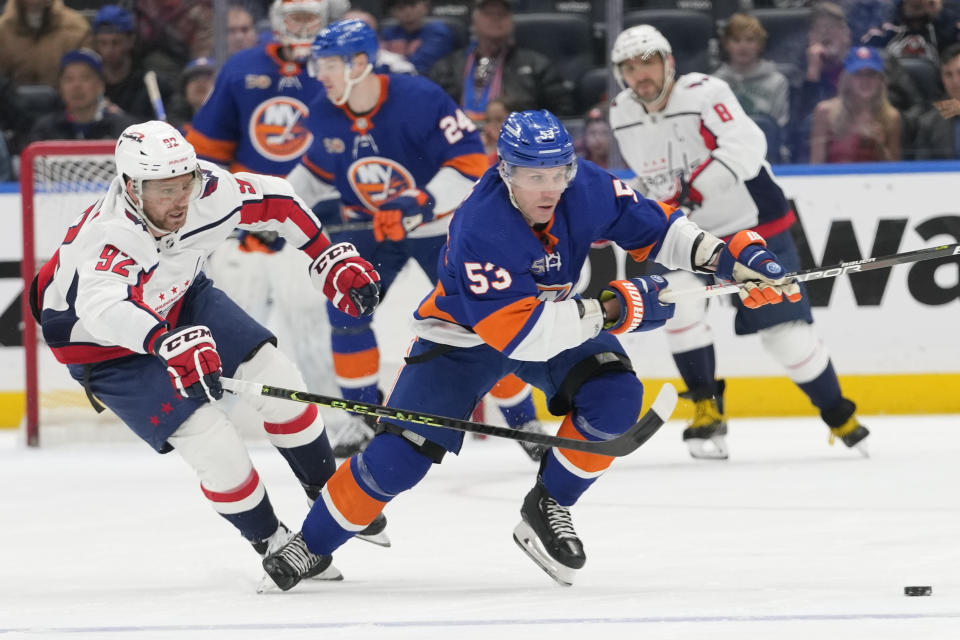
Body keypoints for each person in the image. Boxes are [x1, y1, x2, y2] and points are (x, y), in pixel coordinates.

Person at [259, 108, 803, 591]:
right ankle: (311, 543)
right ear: (505, 172)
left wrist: (726, 257)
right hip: (465, 338)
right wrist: (615, 310)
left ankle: (548, 507)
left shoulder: (582, 186)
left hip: (553, 321)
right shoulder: (481, 226)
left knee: (615, 396)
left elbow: (657, 228)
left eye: (557, 174)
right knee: (399, 460)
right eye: (532, 176)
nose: (549, 189)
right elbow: (519, 336)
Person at [31, 120, 386, 589]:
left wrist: (326, 256)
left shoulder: (210, 190)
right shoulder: (109, 236)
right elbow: (103, 309)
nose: (180, 200)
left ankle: (327, 492)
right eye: (164, 191)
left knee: (280, 381)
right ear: (131, 188)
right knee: (211, 441)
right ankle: (273, 540)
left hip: (181, 298)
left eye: (185, 184)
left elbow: (277, 200)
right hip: (103, 348)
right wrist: (163, 342)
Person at [287, 19, 548, 459]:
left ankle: (524, 420)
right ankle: (361, 416)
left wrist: (422, 203)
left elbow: (470, 162)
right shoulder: (324, 111)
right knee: (346, 308)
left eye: (328, 64)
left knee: (482, 319)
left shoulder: (419, 97)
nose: (320, 74)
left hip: (440, 228)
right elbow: (312, 176)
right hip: (375, 229)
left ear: (361, 63)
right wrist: (268, 212)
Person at [608, 25, 870, 460]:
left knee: (786, 337)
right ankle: (707, 410)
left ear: (668, 63)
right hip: (682, 234)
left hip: (751, 225)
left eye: (649, 62)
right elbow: (649, 177)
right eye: (631, 68)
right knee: (678, 307)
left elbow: (748, 146)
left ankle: (838, 413)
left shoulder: (705, 93)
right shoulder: (622, 111)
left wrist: (694, 188)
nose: (642, 75)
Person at [186, 0, 345, 451]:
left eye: (310, 18)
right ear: (277, 20)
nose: (302, 27)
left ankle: (342, 422)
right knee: (230, 326)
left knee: (315, 324)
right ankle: (206, 421)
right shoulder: (241, 69)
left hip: (314, 225)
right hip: (246, 227)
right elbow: (208, 153)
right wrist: (223, 212)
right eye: (294, 18)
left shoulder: (336, 69)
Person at [428, 0, 574, 122]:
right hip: (459, 141)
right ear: (474, 20)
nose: (496, 18)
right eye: (489, 13)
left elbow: (563, 113)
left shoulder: (537, 65)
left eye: (502, 14)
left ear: (512, 21)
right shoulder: (446, 67)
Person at [713, 13, 791, 162]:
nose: (743, 46)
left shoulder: (777, 81)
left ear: (760, 44)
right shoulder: (714, 83)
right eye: (736, 40)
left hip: (768, 156)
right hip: (725, 157)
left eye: (750, 40)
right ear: (726, 45)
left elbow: (780, 128)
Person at [810, 46, 902, 163]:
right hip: (835, 180)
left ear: (880, 80)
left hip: (874, 180)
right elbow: (815, 166)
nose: (865, 80)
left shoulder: (891, 117)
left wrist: (880, 145)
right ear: (847, 79)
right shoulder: (825, 112)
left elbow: (896, 171)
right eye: (858, 74)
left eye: (871, 74)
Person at [26, 49, 138, 144]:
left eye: (85, 78)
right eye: (69, 79)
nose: (76, 86)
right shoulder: (46, 130)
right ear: (60, 88)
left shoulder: (124, 129)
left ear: (101, 86)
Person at [92, 5, 176, 122]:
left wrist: (122, 119)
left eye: (116, 43)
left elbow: (166, 126)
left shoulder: (152, 84)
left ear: (130, 40)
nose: (109, 50)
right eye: (103, 43)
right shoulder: (89, 84)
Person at [0, 0, 91, 86]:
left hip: (64, 100)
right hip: (11, 100)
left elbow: (88, 77)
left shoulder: (75, 27)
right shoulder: (3, 30)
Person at [381, 0, 457, 75]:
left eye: (412, 5)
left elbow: (420, 65)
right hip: (392, 80)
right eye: (401, 7)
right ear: (392, 12)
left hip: (428, 82)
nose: (408, 12)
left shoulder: (439, 32)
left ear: (425, 6)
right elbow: (377, 62)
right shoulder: (387, 34)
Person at [913, 42, 960, 158]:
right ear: (942, 79)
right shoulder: (928, 123)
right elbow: (923, 171)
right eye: (948, 75)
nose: (956, 82)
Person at [168, 57, 217, 132]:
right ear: (184, 90)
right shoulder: (173, 131)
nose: (201, 82)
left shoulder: (233, 127)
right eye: (194, 78)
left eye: (207, 78)